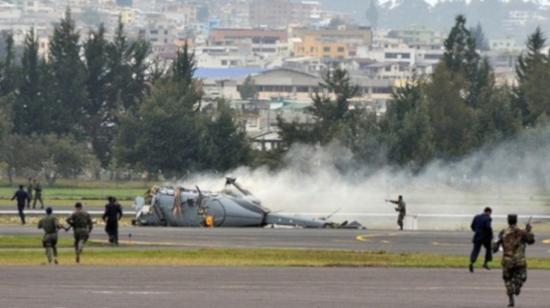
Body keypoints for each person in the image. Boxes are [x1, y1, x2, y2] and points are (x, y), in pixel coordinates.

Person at [494, 214, 535, 307]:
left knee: (507, 279)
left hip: (507, 261)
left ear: (508, 221)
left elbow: (494, 247)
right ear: (516, 221)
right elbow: (531, 241)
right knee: (523, 277)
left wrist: (497, 247)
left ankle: (511, 299)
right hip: (519, 261)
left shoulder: (503, 232)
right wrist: (529, 231)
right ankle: (517, 286)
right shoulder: (522, 232)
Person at [469, 207, 493, 272]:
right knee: (489, 249)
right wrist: (491, 236)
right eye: (490, 213)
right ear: (488, 212)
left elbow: (472, 226)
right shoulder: (488, 218)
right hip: (485, 238)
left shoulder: (476, 217)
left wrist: (477, 231)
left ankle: (472, 262)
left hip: (477, 236)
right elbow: (488, 228)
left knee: (475, 250)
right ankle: (485, 263)